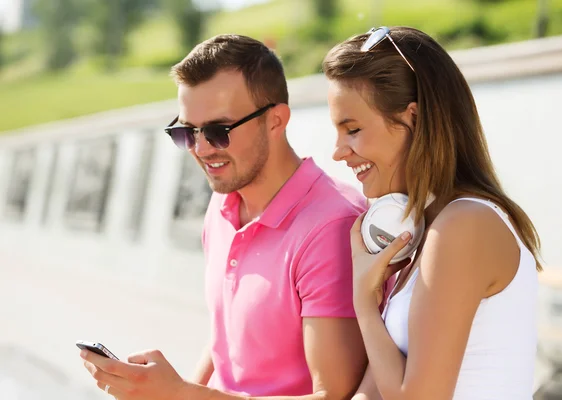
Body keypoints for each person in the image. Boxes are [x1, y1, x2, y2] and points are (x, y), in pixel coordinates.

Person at [80, 34, 368, 400]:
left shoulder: (333, 227)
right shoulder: (222, 206)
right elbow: (225, 346)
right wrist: (169, 391)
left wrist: (180, 394)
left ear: (276, 121)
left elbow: (333, 396)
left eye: (218, 131)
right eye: (186, 132)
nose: (200, 149)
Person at [322, 26, 542, 399]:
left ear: (414, 119)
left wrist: (364, 302)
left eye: (353, 129)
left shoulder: (464, 225)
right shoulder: (426, 233)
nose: (338, 151)